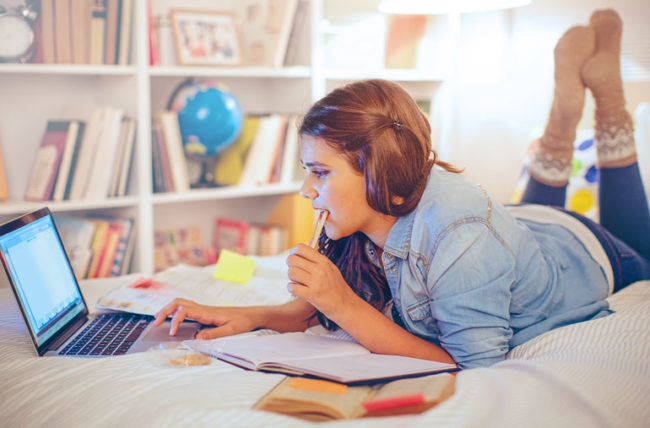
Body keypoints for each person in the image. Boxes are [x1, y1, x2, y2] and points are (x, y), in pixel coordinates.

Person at [154, 9, 650, 369]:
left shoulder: (461, 235)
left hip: (588, 248)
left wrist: (346, 306)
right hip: (518, 232)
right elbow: (310, 312)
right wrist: (241, 316)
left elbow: (474, 364)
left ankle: (608, 109)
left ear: (372, 170)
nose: (307, 190)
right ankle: (559, 128)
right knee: (512, 231)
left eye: (320, 173)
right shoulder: (360, 213)